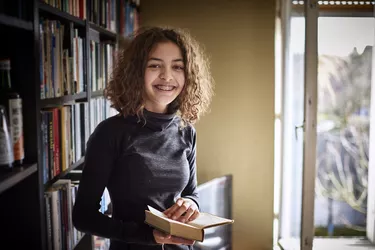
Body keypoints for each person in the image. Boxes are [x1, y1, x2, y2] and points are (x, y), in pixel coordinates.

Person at [72, 26, 214, 250]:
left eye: (177, 67)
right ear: (137, 71)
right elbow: (83, 217)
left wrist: (191, 203)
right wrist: (149, 236)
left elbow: (191, 192)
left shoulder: (187, 131)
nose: (167, 76)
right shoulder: (110, 133)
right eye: (155, 65)